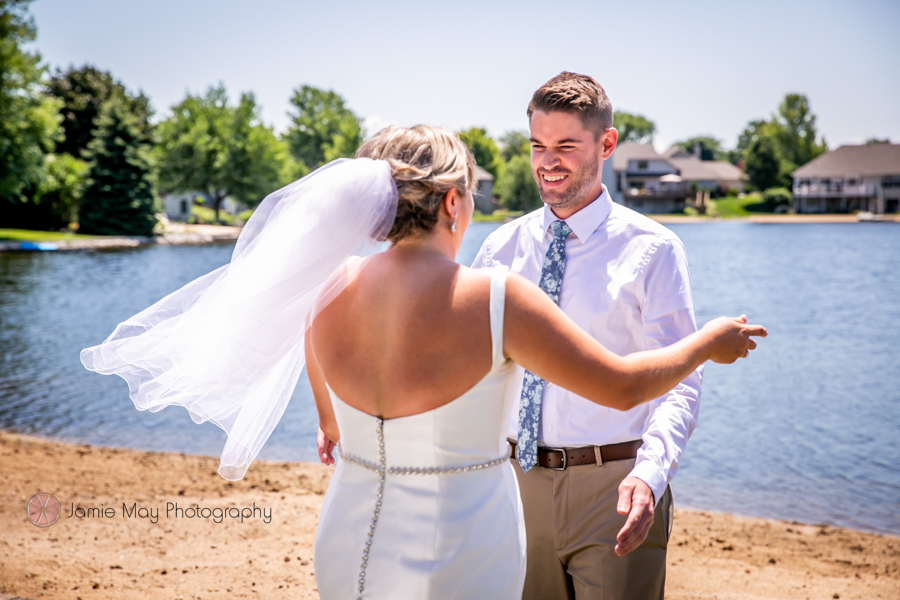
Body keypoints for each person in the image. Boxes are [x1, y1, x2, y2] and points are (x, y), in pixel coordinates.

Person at [310, 124, 764, 599]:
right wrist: (709, 341)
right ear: (450, 203)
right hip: (457, 541)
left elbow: (336, 427)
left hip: (348, 531)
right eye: (469, 195)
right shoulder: (495, 294)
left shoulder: (323, 290)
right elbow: (622, 387)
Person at [471, 71, 704, 599]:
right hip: (512, 484)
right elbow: (473, 371)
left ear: (606, 144)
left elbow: (681, 382)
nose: (546, 161)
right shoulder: (499, 250)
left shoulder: (654, 249)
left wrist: (650, 475)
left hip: (615, 484)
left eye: (565, 146)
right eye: (537, 145)